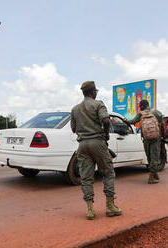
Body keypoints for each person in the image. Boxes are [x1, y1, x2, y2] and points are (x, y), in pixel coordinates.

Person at [70, 81, 122, 220]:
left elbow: (73, 129)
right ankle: (110, 207)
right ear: (93, 92)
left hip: (82, 145)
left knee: (86, 177)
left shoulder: (75, 109)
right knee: (108, 172)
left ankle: (90, 210)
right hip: (98, 143)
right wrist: (106, 134)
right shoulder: (98, 104)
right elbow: (105, 120)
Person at [125, 99, 164, 184]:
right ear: (148, 105)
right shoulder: (156, 112)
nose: (139, 108)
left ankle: (153, 175)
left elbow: (132, 121)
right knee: (155, 156)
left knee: (149, 156)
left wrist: (125, 121)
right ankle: (152, 176)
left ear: (142, 106)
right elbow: (161, 122)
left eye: (140, 106)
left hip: (146, 138)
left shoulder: (140, 114)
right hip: (156, 138)